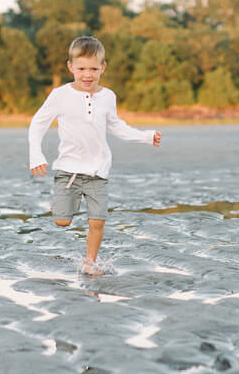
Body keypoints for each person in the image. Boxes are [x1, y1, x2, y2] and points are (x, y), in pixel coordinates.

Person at [27, 36, 162, 275]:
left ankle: (89, 263)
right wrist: (36, 154)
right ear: (70, 67)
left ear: (103, 67)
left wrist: (145, 136)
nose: (87, 74)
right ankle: (71, 201)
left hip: (98, 171)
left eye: (93, 69)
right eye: (81, 69)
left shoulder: (108, 96)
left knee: (97, 221)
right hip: (68, 170)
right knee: (62, 221)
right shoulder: (60, 95)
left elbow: (116, 126)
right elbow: (38, 124)